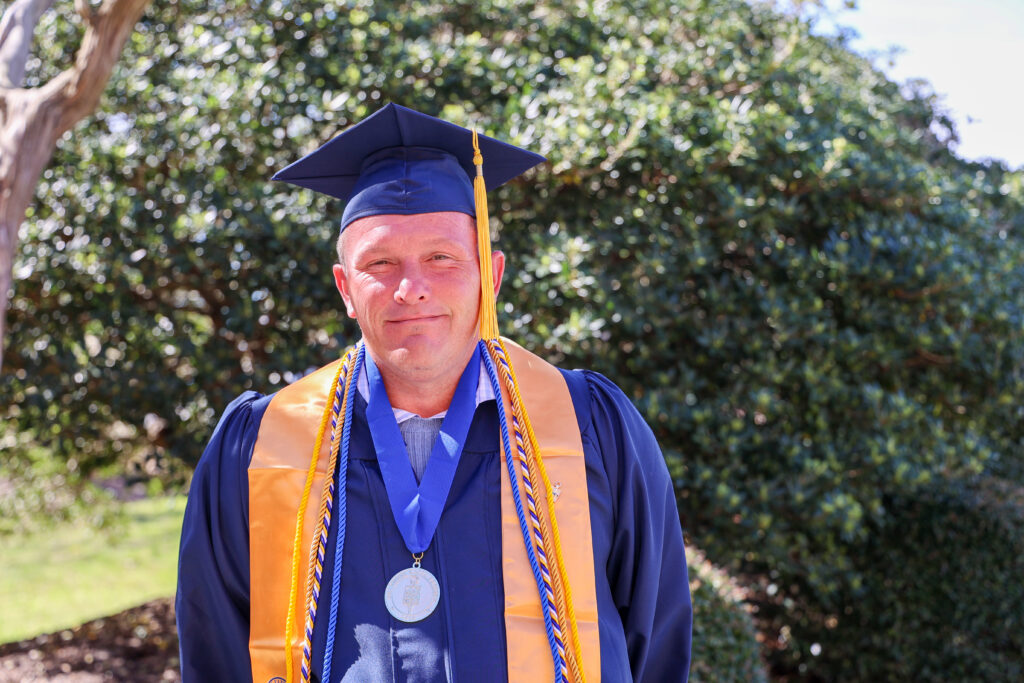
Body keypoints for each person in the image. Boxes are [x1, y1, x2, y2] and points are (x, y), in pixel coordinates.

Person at [176, 103, 692, 683]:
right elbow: (215, 650)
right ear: (346, 288)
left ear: (490, 277)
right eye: (380, 263)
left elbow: (656, 633)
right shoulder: (262, 444)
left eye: (442, 258)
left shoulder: (590, 426)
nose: (411, 289)